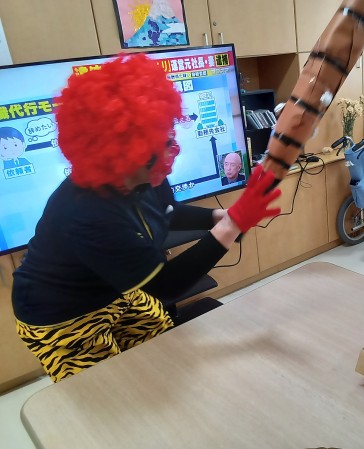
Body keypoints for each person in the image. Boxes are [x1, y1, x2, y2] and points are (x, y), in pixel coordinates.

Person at [11, 53, 281, 383]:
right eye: (162, 142)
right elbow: (165, 285)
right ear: (127, 151)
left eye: (169, 135)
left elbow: (167, 213)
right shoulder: (87, 214)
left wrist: (218, 216)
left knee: (161, 349)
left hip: (113, 289)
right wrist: (233, 223)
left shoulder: (145, 176)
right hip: (59, 313)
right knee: (108, 387)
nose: (173, 148)